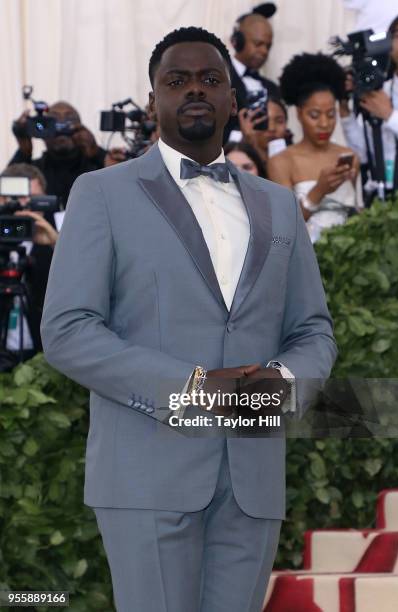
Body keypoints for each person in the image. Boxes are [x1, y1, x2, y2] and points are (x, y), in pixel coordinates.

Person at [40, 26, 337, 612]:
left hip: (252, 476)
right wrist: (193, 390)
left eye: (210, 79)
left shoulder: (277, 203)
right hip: (147, 472)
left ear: (233, 99)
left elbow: (313, 330)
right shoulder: (101, 193)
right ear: (154, 101)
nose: (194, 90)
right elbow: (68, 328)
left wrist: (284, 382)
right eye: (176, 81)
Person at [268, 53, 360, 244]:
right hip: (307, 258)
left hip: (350, 256)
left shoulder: (349, 156)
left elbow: (358, 212)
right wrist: (319, 191)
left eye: (330, 114)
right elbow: (284, 226)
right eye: (315, 115)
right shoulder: (281, 162)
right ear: (299, 114)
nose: (324, 124)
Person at [340, 11, 398, 195]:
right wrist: (344, 109)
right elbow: (363, 151)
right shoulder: (378, 91)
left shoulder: (382, 103)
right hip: (378, 198)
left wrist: (389, 115)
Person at [0, 163, 57, 363]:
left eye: (31, 199)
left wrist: (56, 245)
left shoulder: (58, 241)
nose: (23, 205)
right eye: (13, 199)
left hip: (42, 355)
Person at [11, 101, 109, 206]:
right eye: (54, 121)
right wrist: (23, 152)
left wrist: (97, 153)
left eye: (70, 120)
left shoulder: (97, 167)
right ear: (43, 132)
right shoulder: (34, 171)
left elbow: (122, 187)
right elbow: (8, 195)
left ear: (81, 128)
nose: (61, 124)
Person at [225, 3, 279, 142]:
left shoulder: (272, 88)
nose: (264, 51)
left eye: (268, 46)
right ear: (237, 41)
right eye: (258, 44)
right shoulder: (218, 80)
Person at [236, 95, 292, 164]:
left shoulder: (298, 160)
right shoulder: (235, 160)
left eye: (279, 121)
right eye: (264, 122)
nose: (271, 128)